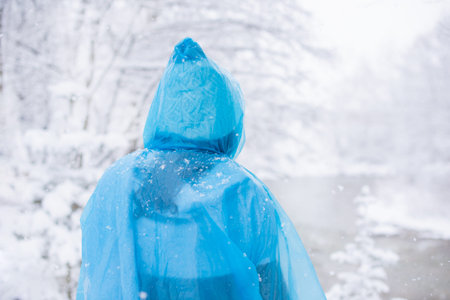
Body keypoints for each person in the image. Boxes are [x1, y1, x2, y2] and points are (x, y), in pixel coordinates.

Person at [76, 37, 326, 300]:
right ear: (227, 116)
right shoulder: (244, 192)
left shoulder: (120, 181)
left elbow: (99, 272)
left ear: (162, 107)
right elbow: (272, 289)